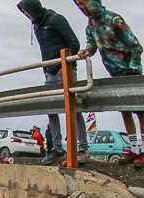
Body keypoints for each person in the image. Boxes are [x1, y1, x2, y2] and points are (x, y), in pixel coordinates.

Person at [74, 0, 144, 168]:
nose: (81, 8)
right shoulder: (91, 25)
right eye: (78, 5)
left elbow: (136, 46)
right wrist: (87, 51)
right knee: (125, 110)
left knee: (140, 110)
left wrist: (133, 68)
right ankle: (134, 149)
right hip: (115, 73)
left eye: (83, 3)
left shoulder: (114, 20)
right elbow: (92, 44)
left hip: (130, 71)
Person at [18, 0, 91, 166]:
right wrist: (45, 69)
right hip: (49, 73)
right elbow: (44, 50)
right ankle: (57, 148)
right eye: (24, 13)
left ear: (34, 8)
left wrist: (67, 65)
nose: (26, 15)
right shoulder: (37, 26)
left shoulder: (56, 19)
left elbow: (74, 43)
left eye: (27, 11)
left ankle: (83, 148)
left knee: (74, 109)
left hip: (65, 71)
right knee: (51, 110)